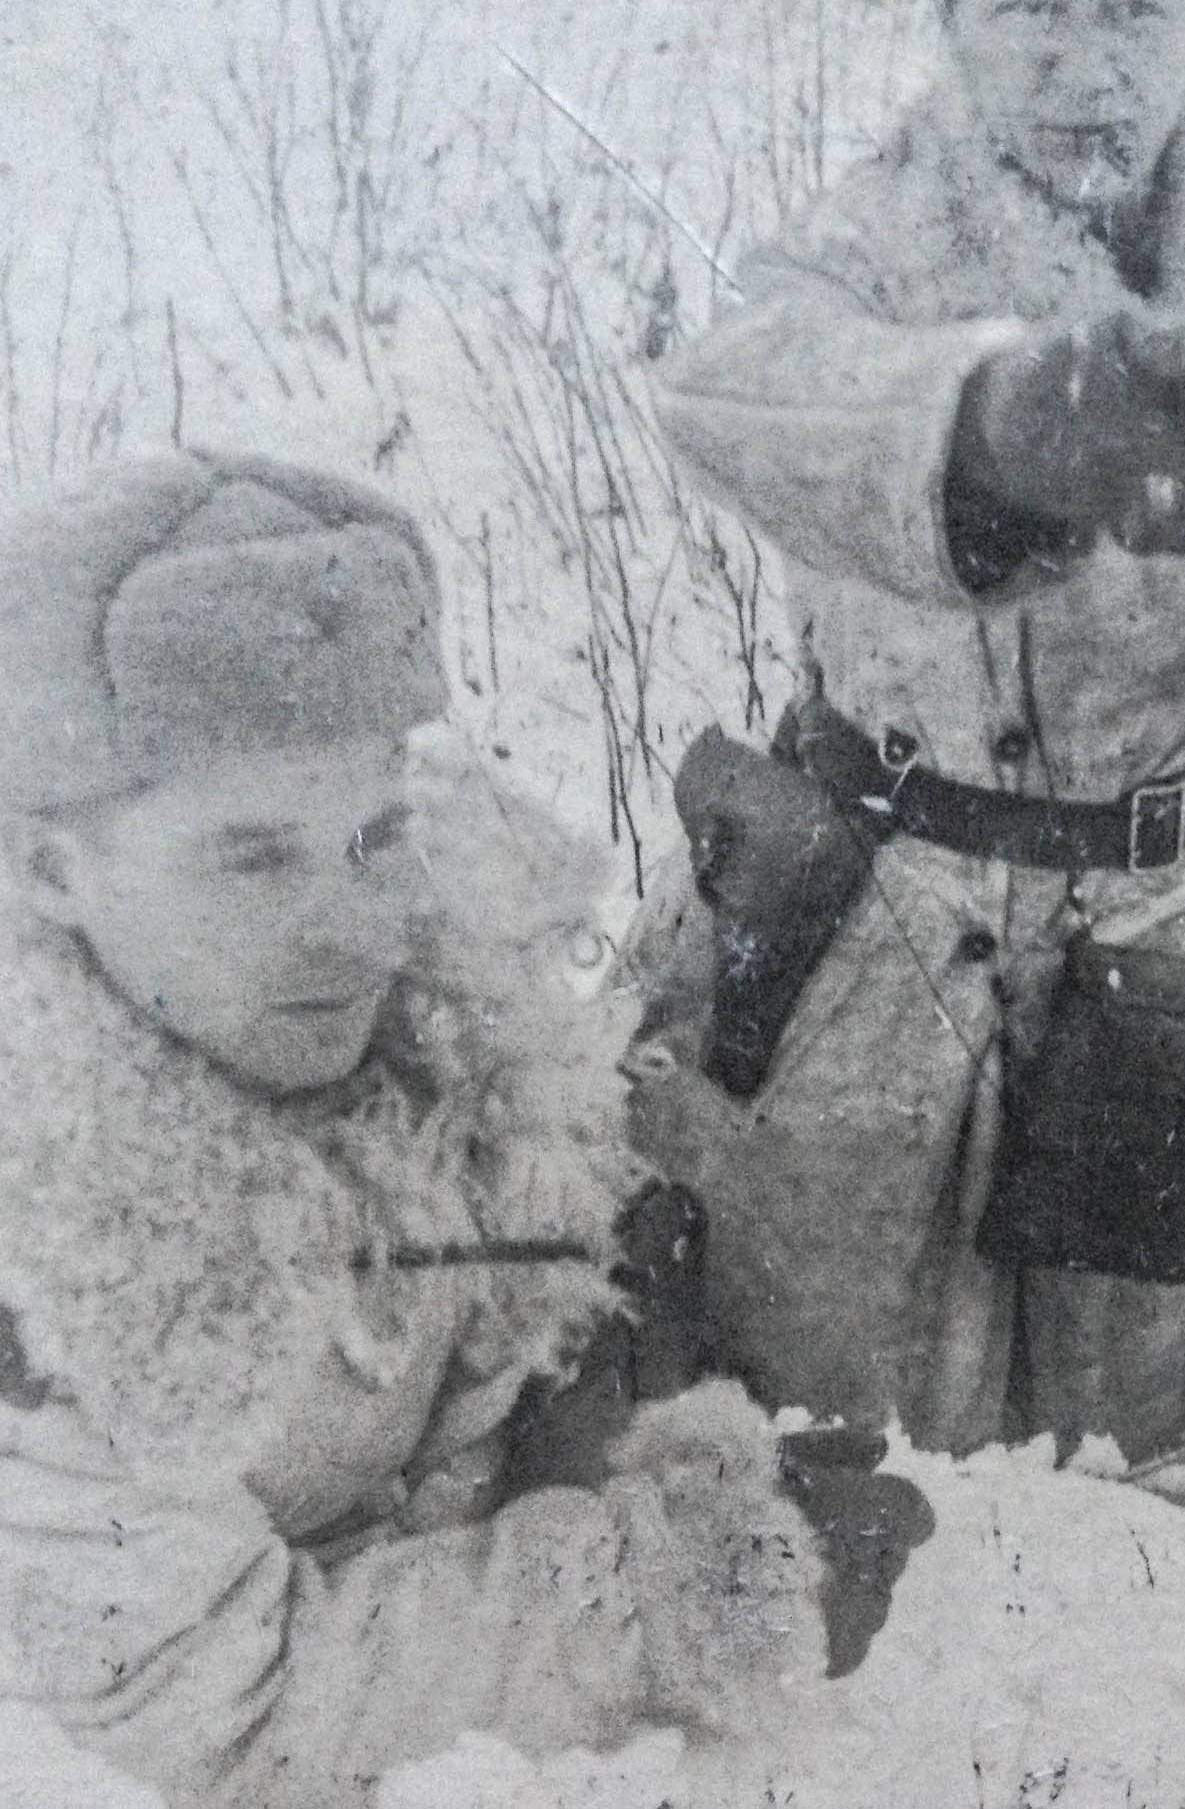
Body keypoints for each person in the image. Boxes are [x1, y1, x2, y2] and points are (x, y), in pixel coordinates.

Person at [625, 0, 1185, 1465]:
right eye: (1030, 0)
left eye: (1133, 3)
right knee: (823, 1462)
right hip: (874, 952)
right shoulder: (876, 241)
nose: (1084, 63)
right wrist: (1001, 425)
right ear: (948, 10)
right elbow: (729, 395)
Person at [0, 453, 920, 1809]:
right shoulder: (58, 1232)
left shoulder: (449, 1060)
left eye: (375, 836)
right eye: (252, 857)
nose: (351, 924)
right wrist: (666, 1591)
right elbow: (214, 1709)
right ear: (51, 872)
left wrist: (624, 1445)